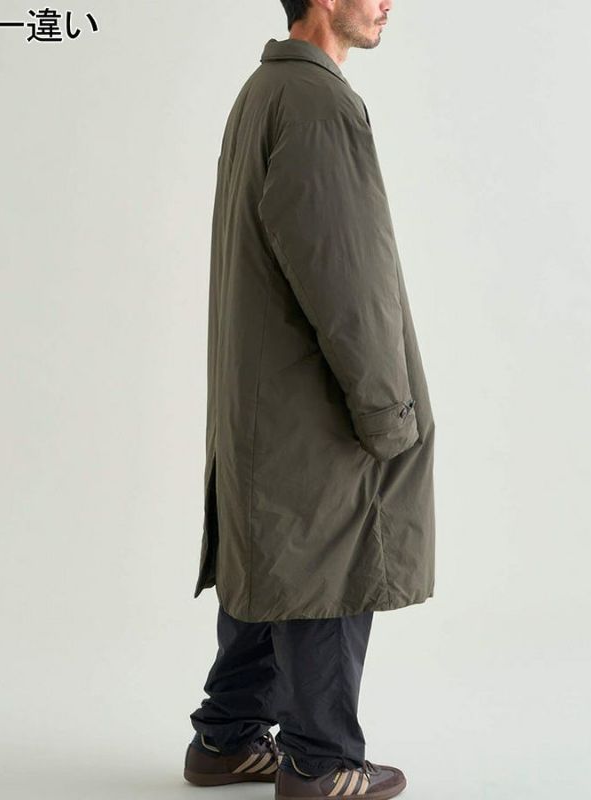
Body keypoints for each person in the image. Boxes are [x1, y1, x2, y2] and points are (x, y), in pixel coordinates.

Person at [185, 1, 435, 797]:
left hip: (266, 407)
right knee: (328, 565)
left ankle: (226, 738)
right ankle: (320, 763)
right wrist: (388, 410)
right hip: (313, 407)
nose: (389, 3)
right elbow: (345, 277)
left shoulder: (265, 91)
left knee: (270, 560)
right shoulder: (317, 102)